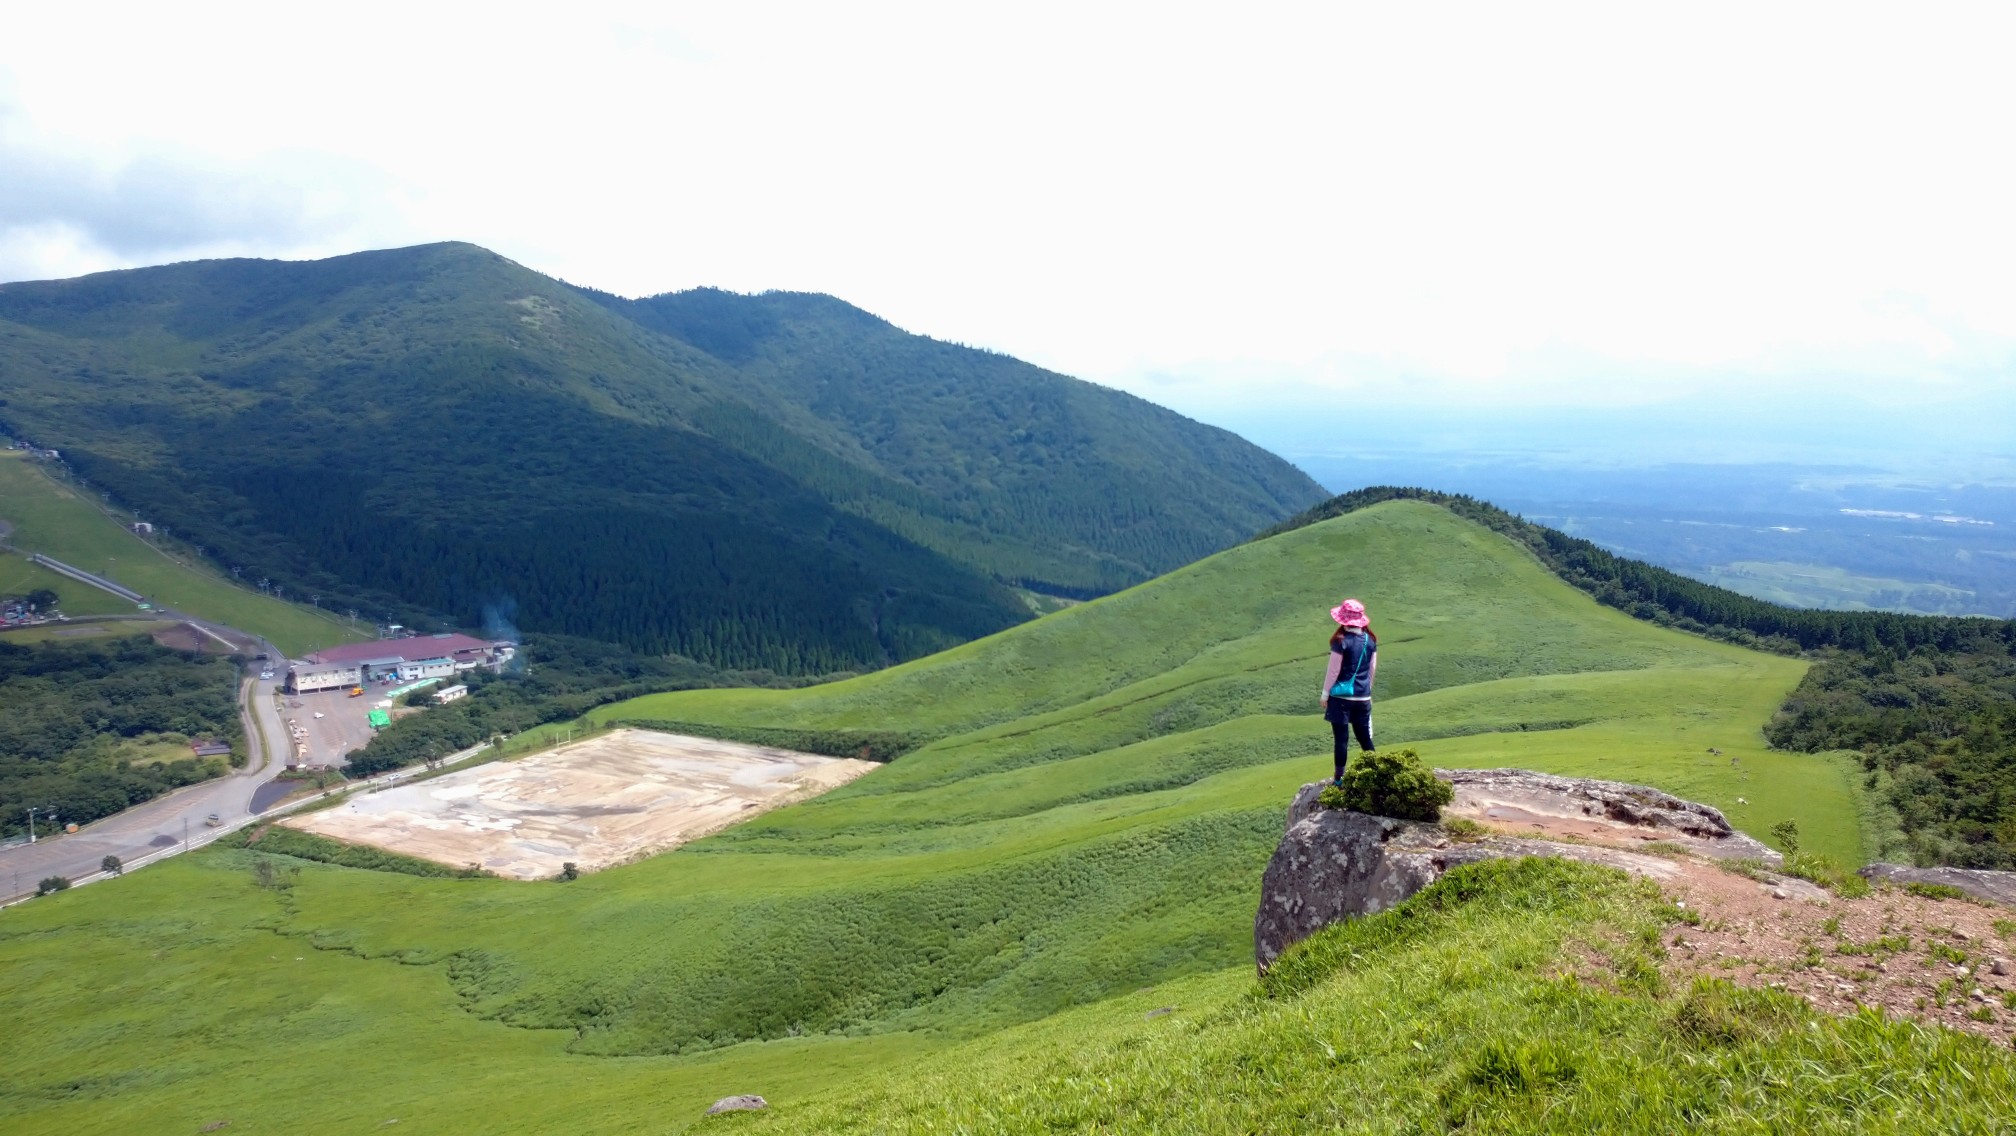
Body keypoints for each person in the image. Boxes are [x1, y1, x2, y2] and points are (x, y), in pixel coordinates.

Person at [1320, 598, 1377, 787]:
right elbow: (1372, 669)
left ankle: (1339, 779)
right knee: (1364, 737)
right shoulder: (1370, 641)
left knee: (1341, 739)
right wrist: (1366, 691)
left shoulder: (1341, 641)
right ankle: (1378, 771)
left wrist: (1325, 694)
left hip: (1341, 698)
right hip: (1363, 696)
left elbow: (1333, 670)